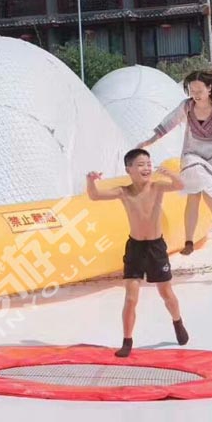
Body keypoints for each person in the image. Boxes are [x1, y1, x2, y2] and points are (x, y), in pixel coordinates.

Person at [86, 150, 189, 357]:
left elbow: (180, 185)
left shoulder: (157, 186)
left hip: (156, 248)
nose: (147, 168)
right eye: (141, 164)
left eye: (149, 164)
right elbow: (95, 195)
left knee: (166, 293)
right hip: (135, 248)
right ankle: (127, 341)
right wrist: (90, 180)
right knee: (131, 298)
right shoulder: (124, 191)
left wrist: (169, 173)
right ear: (129, 170)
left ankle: (177, 322)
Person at [136, 70, 212, 257]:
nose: (195, 94)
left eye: (199, 90)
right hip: (194, 153)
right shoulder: (187, 107)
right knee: (193, 195)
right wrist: (149, 141)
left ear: (209, 88)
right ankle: (189, 241)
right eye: (192, 90)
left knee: (210, 196)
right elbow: (170, 122)